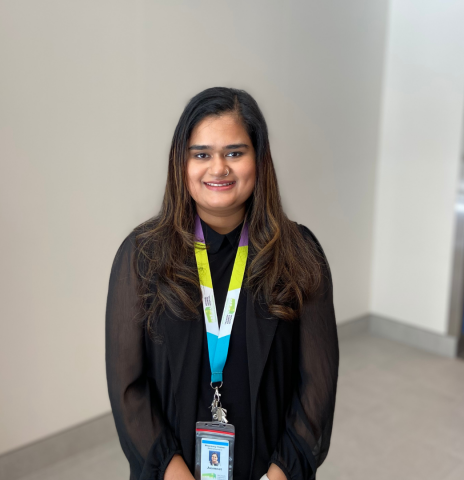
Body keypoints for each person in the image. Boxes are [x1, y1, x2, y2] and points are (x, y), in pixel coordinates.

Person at [105, 87, 339, 480]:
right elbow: (128, 387)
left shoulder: (300, 253)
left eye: (235, 152)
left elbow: (318, 383)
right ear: (181, 163)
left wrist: (278, 475)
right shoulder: (141, 257)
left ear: (259, 160)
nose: (218, 168)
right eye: (201, 154)